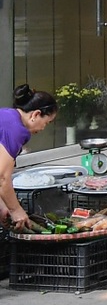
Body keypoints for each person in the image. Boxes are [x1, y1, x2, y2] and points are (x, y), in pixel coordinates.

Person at [1, 86, 58, 230]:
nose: (44, 128)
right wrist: (16, 210)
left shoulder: (7, 116)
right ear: (36, 114)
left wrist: (3, 205)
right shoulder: (17, 130)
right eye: (47, 122)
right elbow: (2, 178)